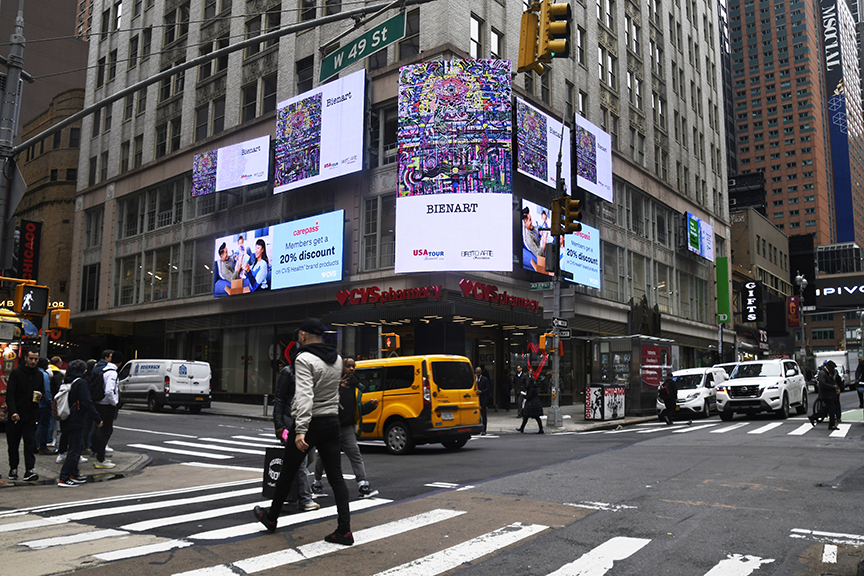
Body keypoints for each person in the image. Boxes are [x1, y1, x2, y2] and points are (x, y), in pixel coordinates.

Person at [254, 318, 353, 545]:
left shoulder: (304, 358)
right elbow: (333, 392)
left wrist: (300, 430)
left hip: (310, 424)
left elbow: (305, 395)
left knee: (288, 470)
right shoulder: (337, 359)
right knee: (336, 476)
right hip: (332, 421)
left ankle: (271, 518)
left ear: (303, 336)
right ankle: (344, 530)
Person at [312, 357, 379, 498]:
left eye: (353, 366)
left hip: (347, 427)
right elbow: (322, 402)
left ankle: (363, 484)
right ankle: (316, 483)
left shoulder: (356, 387)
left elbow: (358, 410)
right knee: (323, 456)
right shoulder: (332, 385)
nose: (352, 369)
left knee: (355, 454)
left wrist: (371, 406)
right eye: (348, 366)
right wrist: (336, 394)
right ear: (341, 368)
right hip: (331, 426)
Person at [273, 346, 319, 513]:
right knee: (301, 460)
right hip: (290, 419)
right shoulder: (288, 372)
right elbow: (279, 398)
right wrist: (279, 424)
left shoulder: (310, 374)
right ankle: (305, 499)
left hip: (306, 420)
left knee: (309, 457)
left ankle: (289, 491)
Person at [58, 360, 103, 487]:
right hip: (77, 419)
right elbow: (86, 401)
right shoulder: (81, 382)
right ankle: (64, 477)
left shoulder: (66, 380)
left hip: (65, 417)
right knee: (75, 449)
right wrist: (97, 418)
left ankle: (74, 473)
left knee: (75, 446)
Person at [6, 347, 44, 481]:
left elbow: (41, 390)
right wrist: (13, 411)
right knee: (13, 443)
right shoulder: (17, 373)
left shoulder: (39, 374)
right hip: (17, 413)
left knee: (29, 442)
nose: (33, 361)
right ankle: (13, 468)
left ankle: (29, 469)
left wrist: (40, 395)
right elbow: (10, 394)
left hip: (31, 413)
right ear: (26, 358)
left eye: (36, 359)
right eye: (31, 358)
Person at [93, 350, 121, 469]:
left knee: (99, 430)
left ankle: (97, 454)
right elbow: (109, 390)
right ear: (120, 362)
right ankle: (101, 458)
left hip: (99, 403)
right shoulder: (113, 373)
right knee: (106, 431)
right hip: (106, 406)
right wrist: (114, 402)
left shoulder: (103, 370)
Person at [810, 360, 840, 430]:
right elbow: (823, 384)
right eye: (832, 367)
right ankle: (831, 425)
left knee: (827, 409)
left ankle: (813, 417)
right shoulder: (822, 373)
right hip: (826, 395)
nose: (833, 369)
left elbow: (833, 381)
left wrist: (836, 387)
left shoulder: (829, 372)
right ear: (828, 366)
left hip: (829, 394)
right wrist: (833, 387)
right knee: (832, 409)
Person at [35, 357, 54, 455]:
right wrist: (50, 403)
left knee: (35, 425)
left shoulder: (33, 372)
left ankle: (33, 445)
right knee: (44, 425)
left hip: (33, 403)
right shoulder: (44, 375)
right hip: (43, 404)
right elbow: (47, 390)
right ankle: (42, 446)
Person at [475, 366, 491, 435]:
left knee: (483, 414)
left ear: (481, 372)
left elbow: (488, 388)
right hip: (475, 399)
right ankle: (476, 429)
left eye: (479, 372)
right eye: (476, 372)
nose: (477, 374)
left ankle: (484, 429)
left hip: (482, 398)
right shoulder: (474, 379)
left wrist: (481, 391)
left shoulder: (485, 379)